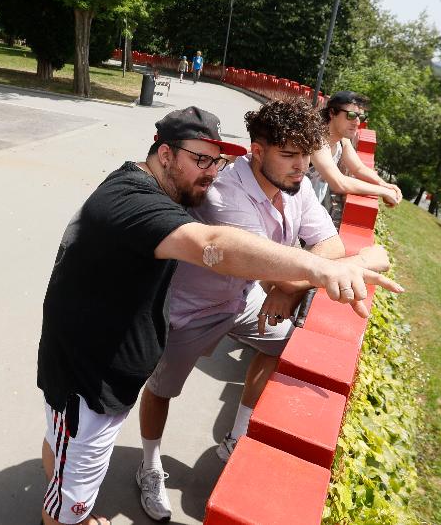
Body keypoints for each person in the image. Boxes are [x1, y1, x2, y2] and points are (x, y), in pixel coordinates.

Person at [36, 106, 400, 525]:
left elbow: (304, 254)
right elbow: (217, 246)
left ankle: (67, 497)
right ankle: (88, 500)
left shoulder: (157, 192)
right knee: (75, 484)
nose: (211, 173)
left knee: (66, 449)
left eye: (216, 159)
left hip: (109, 362)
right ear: (166, 153)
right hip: (93, 378)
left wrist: (311, 274)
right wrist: (332, 268)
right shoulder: (135, 202)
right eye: (199, 159)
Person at [135, 99, 343, 520]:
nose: (301, 167)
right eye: (288, 155)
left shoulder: (296, 186)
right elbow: (274, 270)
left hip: (242, 299)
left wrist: (292, 289)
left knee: (284, 345)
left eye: (305, 155)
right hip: (190, 310)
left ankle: (238, 433)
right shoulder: (226, 196)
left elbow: (332, 245)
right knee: (162, 390)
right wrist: (290, 285)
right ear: (257, 151)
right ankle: (148, 465)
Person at [307, 91, 403, 222]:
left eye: (361, 117)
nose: (357, 122)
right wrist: (382, 191)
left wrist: (385, 184)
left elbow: (358, 169)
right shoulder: (318, 140)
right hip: (288, 214)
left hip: (308, 212)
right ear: (332, 113)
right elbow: (338, 183)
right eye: (351, 115)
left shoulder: (342, 140)